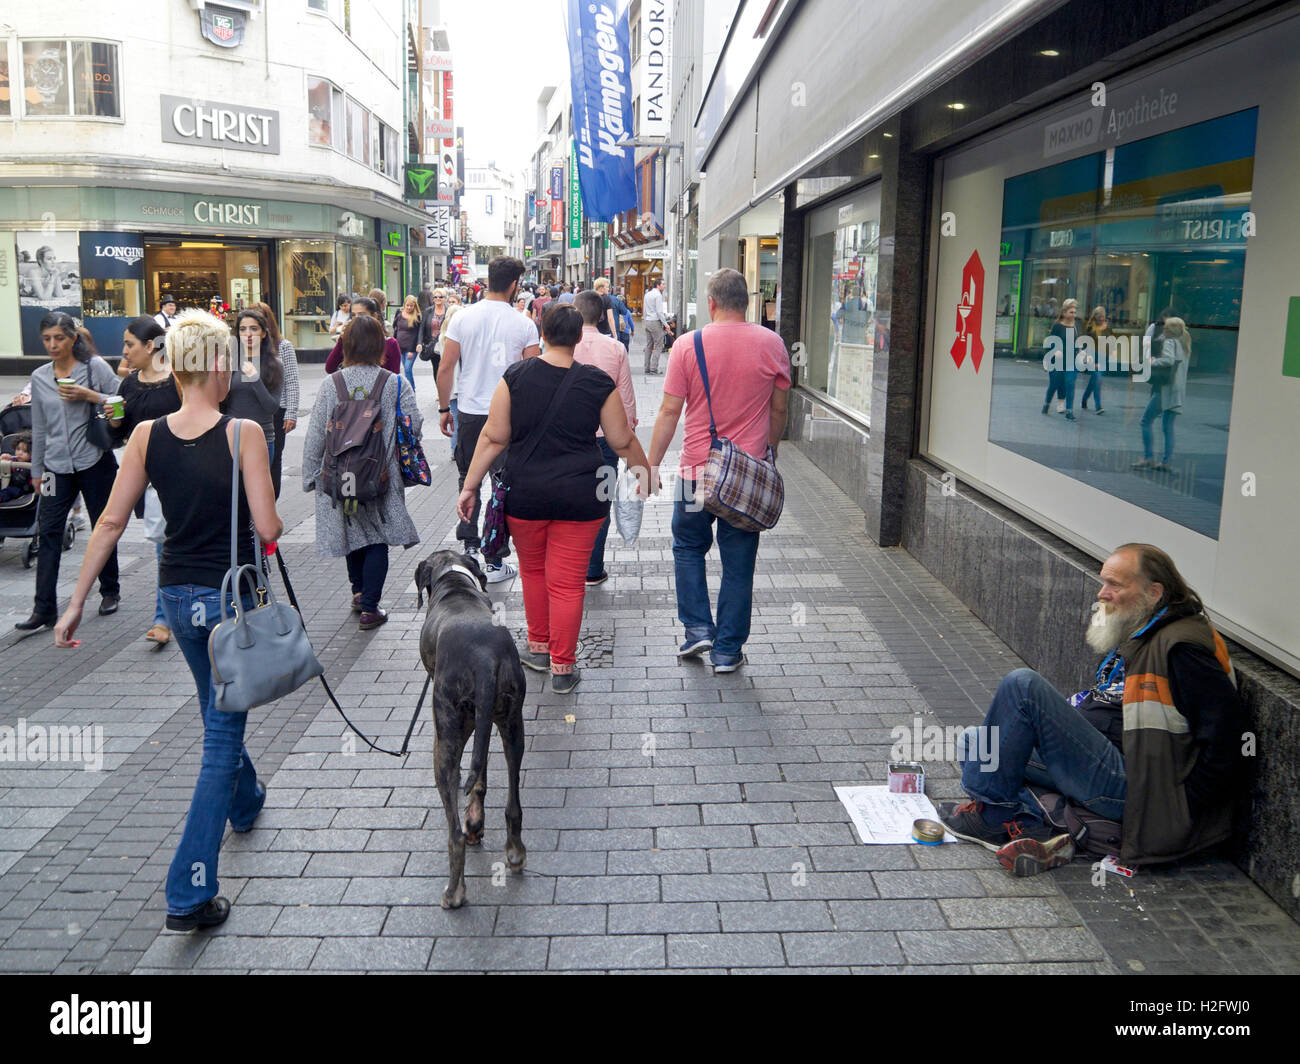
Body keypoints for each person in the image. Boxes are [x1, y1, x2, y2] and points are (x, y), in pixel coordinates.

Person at [55, 308, 282, 932]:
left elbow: (109, 521)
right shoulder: (243, 434)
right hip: (231, 602)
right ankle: (189, 892)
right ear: (215, 363)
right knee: (219, 738)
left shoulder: (148, 434)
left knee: (217, 711)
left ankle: (249, 801)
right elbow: (267, 529)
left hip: (178, 600)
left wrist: (74, 602)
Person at [939, 544, 1245, 876]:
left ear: (1153, 592)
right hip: (1097, 761)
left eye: (1115, 585)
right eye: (1104, 583)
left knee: (1022, 686)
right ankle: (1041, 820)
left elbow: (1230, 738)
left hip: (1133, 784)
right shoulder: (1139, 630)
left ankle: (999, 817)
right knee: (976, 743)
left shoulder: (1181, 650)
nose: (1103, 593)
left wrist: (1179, 808)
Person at [457, 302, 649, 693]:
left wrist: (470, 485)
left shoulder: (515, 377)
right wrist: (644, 472)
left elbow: (494, 437)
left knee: (533, 573)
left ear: (541, 333)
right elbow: (621, 438)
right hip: (582, 497)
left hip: (527, 496)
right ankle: (563, 668)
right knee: (568, 584)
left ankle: (538, 647)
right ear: (579, 338)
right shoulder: (597, 382)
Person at [647, 268, 791, 673]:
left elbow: (669, 412)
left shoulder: (688, 345)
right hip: (745, 478)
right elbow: (779, 410)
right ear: (747, 303)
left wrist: (652, 464)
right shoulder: (773, 344)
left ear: (711, 303)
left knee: (689, 549)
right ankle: (727, 650)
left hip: (696, 472)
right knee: (738, 563)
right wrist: (768, 452)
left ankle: (698, 630)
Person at [303, 315, 422, 630]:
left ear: (347, 346)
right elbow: (414, 424)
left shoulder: (332, 384)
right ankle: (371, 607)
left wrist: (310, 475)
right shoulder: (395, 382)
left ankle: (358, 592)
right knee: (376, 538)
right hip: (382, 474)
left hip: (341, 473)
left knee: (351, 529)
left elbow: (316, 432)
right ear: (380, 346)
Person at [437, 255, 540, 583]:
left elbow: (446, 366)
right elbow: (533, 374)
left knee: (469, 477)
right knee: (502, 485)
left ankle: (469, 546)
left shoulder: (462, 318)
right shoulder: (523, 323)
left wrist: (443, 409)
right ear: (513, 285)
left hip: (469, 411)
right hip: (508, 417)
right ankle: (495, 557)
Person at [17, 313, 122, 631]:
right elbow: (39, 428)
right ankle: (43, 609)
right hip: (54, 469)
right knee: (47, 531)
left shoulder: (95, 368)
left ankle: (110, 590)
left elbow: (121, 404)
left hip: (94, 461)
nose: (52, 344)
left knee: (102, 526)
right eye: (47, 339)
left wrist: (90, 396)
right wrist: (36, 471)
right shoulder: (39, 376)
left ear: (73, 338)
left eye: (58, 338)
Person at [108, 316, 181, 646]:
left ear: (150, 346)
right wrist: (114, 422)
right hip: (149, 480)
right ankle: (165, 616)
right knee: (163, 548)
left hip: (184, 475)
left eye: (129, 344)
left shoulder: (178, 379)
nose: (124, 351)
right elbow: (119, 436)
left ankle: (164, 617)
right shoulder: (129, 384)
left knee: (172, 547)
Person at [572, 291, 638, 587]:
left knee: (569, 501)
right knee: (601, 501)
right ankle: (593, 568)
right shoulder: (615, 348)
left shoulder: (561, 346)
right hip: (606, 440)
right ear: (601, 316)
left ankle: (570, 565)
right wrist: (629, 436)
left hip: (568, 440)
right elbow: (626, 398)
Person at [253, 302, 300, 498]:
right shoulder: (244, 349)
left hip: (276, 411)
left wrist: (291, 412)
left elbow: (292, 381)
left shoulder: (283, 346)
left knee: (274, 459)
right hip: (250, 411)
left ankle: (271, 501)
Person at [223, 309, 282, 463]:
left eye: (254, 329)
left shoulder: (274, 365)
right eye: (243, 329)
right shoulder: (231, 362)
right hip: (232, 436)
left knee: (256, 487)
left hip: (262, 438)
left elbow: (272, 407)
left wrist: (255, 379)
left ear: (263, 334)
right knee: (231, 486)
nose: (248, 334)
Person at [1133, 317, 1190, 473]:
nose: (1163, 330)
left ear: (1169, 331)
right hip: (1177, 391)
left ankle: (1148, 458)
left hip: (1165, 389)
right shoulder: (1184, 344)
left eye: (1165, 328)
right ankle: (1166, 461)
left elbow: (1168, 360)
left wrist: (1152, 362)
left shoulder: (1171, 342)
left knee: (1145, 421)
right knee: (1168, 427)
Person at [324, 297, 402, 374]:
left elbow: (394, 378)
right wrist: (342, 339)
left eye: (362, 315)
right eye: (353, 315)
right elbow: (330, 368)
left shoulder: (390, 344)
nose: (357, 319)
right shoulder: (350, 341)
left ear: (374, 316)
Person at [1041, 297, 1080, 421]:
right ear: (1064, 313)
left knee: (1070, 383)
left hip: (1071, 361)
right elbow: (1049, 342)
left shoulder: (1076, 326)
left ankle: (1069, 411)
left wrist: (1083, 353)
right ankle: (1047, 403)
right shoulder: (1057, 326)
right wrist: (1055, 350)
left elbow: (1079, 342)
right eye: (1071, 312)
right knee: (1054, 385)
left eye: (1075, 312)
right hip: (1057, 361)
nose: (1073, 315)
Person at [1080, 305, 1109, 414]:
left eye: (1103, 316)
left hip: (1103, 356)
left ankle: (1084, 399)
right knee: (1098, 379)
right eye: (1100, 316)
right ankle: (1098, 406)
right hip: (1094, 357)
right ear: (1095, 317)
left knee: (1094, 380)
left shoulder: (1106, 327)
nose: (1101, 319)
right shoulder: (1090, 327)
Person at [392, 295, 422, 390]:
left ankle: (411, 390)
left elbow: (417, 335)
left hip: (411, 348)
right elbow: (395, 328)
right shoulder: (399, 314)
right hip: (399, 347)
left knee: (408, 369)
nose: (409, 307)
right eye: (407, 305)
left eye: (411, 306)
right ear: (404, 304)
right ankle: (408, 389)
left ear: (414, 306)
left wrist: (412, 350)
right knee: (405, 369)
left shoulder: (417, 317)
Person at [642, 277, 669, 375]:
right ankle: (654, 368)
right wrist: (666, 324)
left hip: (648, 321)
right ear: (658, 285)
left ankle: (647, 368)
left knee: (649, 345)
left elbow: (644, 310)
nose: (664, 286)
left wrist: (645, 321)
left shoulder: (647, 294)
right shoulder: (658, 295)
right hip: (655, 322)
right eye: (663, 284)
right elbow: (659, 312)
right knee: (658, 345)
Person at [0, 432, 34, 502]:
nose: (20, 453)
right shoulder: (12, 459)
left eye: (25, 451)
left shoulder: (32, 464)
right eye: (18, 449)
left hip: (21, 488)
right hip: (8, 482)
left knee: (9, 491)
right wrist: (3, 460)